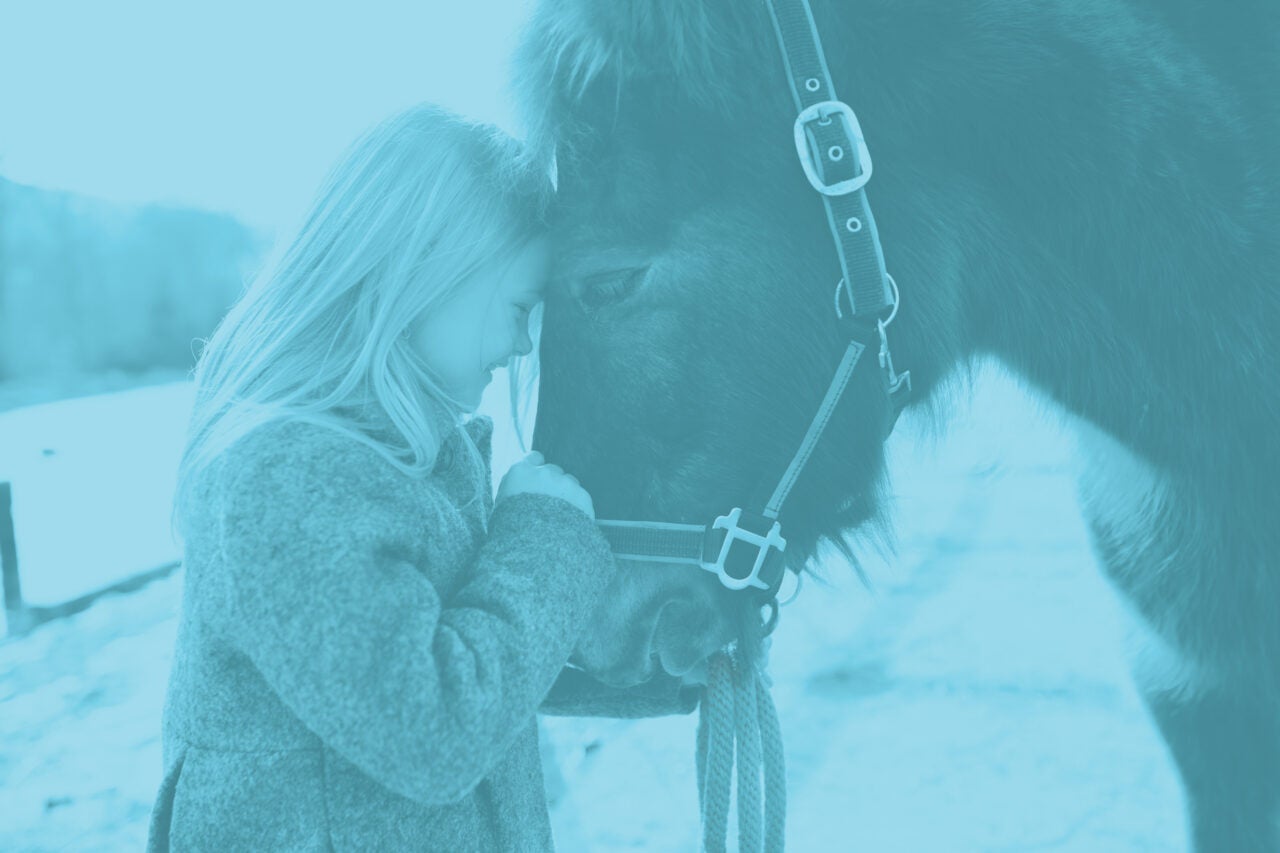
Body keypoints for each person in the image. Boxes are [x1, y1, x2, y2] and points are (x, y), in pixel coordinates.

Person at [146, 104, 696, 852]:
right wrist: (542, 538)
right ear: (429, 268)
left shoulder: (399, 458)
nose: (523, 342)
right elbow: (432, 730)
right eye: (518, 306)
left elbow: (461, 660)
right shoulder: (282, 480)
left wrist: (655, 657)